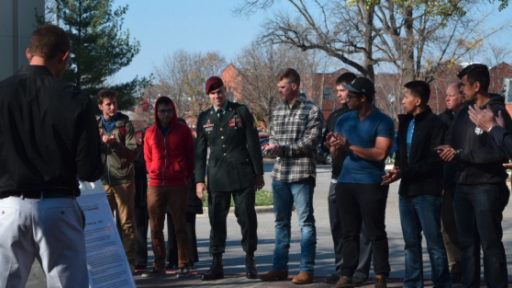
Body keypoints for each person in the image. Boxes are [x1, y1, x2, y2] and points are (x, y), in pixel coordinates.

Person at [0, 25, 103, 287]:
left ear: (28, 53)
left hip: (9, 208)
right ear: (64, 56)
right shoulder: (76, 98)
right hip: (57, 206)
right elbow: (89, 170)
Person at [437, 64, 511, 287]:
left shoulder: (496, 112)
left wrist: (461, 154)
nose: (462, 91)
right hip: (462, 187)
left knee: (490, 245)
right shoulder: (462, 114)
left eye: (465, 86)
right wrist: (448, 150)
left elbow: (498, 152)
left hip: (487, 188)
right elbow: (451, 140)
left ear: (477, 86)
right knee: (467, 245)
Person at [382, 81, 450, 287]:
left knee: (434, 245)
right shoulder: (405, 123)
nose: (402, 101)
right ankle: (412, 283)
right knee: (410, 244)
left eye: (405, 97)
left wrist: (405, 172)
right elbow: (402, 156)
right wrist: (396, 172)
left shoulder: (437, 125)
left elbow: (434, 160)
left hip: (428, 192)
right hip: (406, 192)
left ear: (417, 100)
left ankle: (442, 283)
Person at [195, 76, 264, 281]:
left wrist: (258, 172)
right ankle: (217, 263)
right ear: (208, 95)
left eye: (220, 91)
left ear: (226, 91)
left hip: (242, 174)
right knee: (216, 220)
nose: (217, 96)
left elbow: (253, 143)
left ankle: (250, 259)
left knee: (247, 218)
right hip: (216, 177)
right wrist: (199, 180)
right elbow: (199, 152)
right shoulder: (204, 118)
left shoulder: (240, 111)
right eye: (213, 93)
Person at [328, 77, 394, 288]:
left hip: (371, 183)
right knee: (349, 233)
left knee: (375, 231)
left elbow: (381, 154)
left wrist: (349, 146)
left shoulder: (383, 121)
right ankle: (346, 274)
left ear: (364, 97)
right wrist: (335, 146)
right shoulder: (343, 120)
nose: (346, 98)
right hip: (345, 182)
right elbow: (337, 156)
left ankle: (381, 274)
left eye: (352, 95)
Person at [259, 68, 323, 285]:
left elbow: (310, 142)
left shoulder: (312, 110)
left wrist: (283, 149)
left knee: (305, 222)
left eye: (282, 87)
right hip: (279, 175)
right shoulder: (277, 111)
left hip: (302, 174)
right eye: (278, 87)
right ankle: (279, 268)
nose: (279, 91)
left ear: (294, 86)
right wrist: (273, 148)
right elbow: (274, 137)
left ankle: (307, 270)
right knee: (280, 223)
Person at [321, 72, 373, 285]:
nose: (339, 95)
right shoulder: (335, 117)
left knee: (362, 228)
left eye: (343, 91)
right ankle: (343, 268)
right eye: (337, 92)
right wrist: (328, 148)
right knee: (339, 226)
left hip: (361, 178)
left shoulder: (369, 115)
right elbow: (323, 146)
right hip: (337, 177)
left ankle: (360, 270)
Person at [142, 96, 195, 278]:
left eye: (169, 111)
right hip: (155, 185)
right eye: (162, 111)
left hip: (178, 184)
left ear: (173, 111)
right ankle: (159, 265)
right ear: (156, 113)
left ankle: (183, 264)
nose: (166, 114)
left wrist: (182, 175)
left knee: (180, 226)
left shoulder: (183, 130)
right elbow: (147, 158)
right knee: (156, 227)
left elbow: (190, 156)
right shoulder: (149, 132)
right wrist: (154, 171)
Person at [97, 89, 138, 273]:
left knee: (127, 224)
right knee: (103, 226)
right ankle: (107, 264)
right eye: (108, 104)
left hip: (123, 180)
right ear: (100, 106)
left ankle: (129, 265)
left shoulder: (125, 125)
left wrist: (114, 144)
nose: (113, 106)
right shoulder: (95, 125)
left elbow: (132, 153)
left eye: (114, 102)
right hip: (102, 182)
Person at [437, 82, 466, 282]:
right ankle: (455, 263)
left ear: (463, 97)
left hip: (470, 180)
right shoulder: (441, 120)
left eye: (451, 95)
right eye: (446, 95)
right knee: (447, 225)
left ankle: (470, 262)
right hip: (448, 180)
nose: (446, 98)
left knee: (469, 225)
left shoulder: (474, 118)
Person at [166, 118, 203, 269]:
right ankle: (173, 258)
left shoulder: (191, 145)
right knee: (171, 225)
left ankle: (189, 258)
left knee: (187, 225)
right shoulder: (168, 144)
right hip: (171, 186)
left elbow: (197, 166)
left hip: (188, 186)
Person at [134, 128, 149, 270]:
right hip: (127, 193)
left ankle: (141, 260)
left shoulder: (143, 151)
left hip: (141, 193)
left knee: (140, 227)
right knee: (124, 227)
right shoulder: (125, 151)